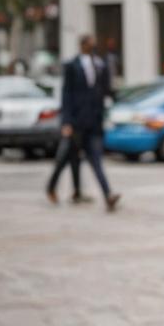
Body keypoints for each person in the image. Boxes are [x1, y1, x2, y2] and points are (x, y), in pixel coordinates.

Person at [46, 33, 121, 212]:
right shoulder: (72, 66)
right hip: (76, 122)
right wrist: (66, 122)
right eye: (90, 42)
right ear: (82, 45)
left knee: (96, 160)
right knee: (66, 158)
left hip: (93, 123)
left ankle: (108, 194)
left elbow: (104, 91)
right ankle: (52, 187)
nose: (94, 45)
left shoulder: (100, 64)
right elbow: (67, 94)